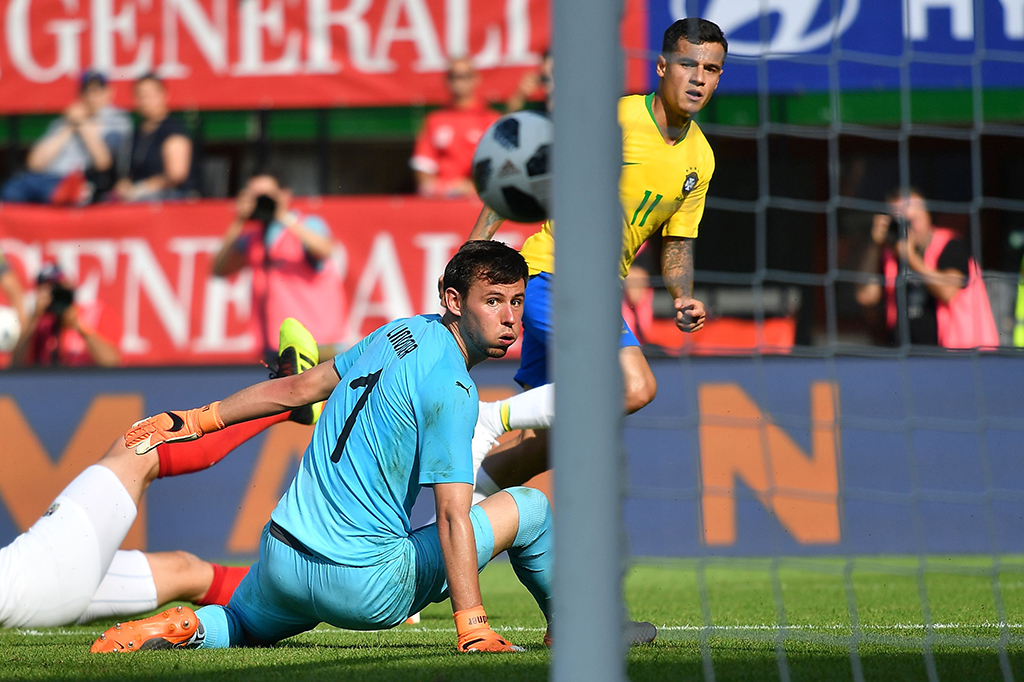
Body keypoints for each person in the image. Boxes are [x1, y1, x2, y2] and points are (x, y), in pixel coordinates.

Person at [90, 241, 558, 654]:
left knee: (238, 623)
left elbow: (298, 388)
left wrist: (194, 419)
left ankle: (186, 625)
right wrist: (472, 625)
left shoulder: (397, 332)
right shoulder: (454, 389)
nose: (511, 319)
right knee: (531, 507)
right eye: (493, 302)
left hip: (282, 556)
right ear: (454, 301)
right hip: (364, 586)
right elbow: (454, 517)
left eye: (516, 301)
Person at [467, 18, 725, 494]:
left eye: (711, 69)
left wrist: (682, 294)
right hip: (554, 272)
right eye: (688, 64)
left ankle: (453, 529)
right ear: (663, 66)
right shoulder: (618, 120)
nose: (699, 78)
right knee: (635, 387)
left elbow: (678, 242)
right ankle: (490, 416)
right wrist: (473, 251)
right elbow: (521, 173)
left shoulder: (701, 159)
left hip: (598, 290)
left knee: (545, 444)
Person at [0, 319, 321, 628]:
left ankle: (311, 592)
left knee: (187, 572)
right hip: (37, 575)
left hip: (34, 594)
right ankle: (290, 401)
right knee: (140, 448)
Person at [211, 170, 345, 363]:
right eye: (254, 196)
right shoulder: (254, 237)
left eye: (266, 195)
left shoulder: (307, 224)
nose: (261, 200)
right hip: (277, 347)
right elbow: (219, 268)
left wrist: (282, 215)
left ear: (285, 195)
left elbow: (325, 250)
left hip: (318, 344)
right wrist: (239, 220)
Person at [855, 189, 999, 348]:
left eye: (912, 220)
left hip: (956, 356)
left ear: (927, 215)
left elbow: (948, 291)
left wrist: (910, 257)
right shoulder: (890, 255)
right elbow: (865, 297)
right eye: (900, 221)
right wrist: (875, 246)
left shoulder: (950, 245)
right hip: (904, 356)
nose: (908, 227)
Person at [1, 71, 131, 205]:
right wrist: (68, 126)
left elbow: (103, 162)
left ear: (108, 92)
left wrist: (82, 124)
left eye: (97, 91)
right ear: (80, 95)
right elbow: (34, 163)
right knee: (12, 189)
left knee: (63, 192)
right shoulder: (63, 122)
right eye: (87, 92)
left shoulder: (117, 121)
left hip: (80, 180)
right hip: (46, 177)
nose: (92, 97)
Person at [410, 58, 500, 198]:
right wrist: (439, 188)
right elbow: (423, 164)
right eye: (454, 76)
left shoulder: (490, 120)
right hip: (442, 200)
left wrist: (472, 188)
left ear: (476, 79)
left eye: (465, 76)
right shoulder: (435, 120)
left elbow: (499, 168)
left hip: (479, 199)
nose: (459, 82)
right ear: (446, 80)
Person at [11, 262, 120, 367]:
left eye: (58, 288)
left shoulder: (93, 313)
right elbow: (17, 364)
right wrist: (34, 318)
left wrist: (79, 326)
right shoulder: (39, 323)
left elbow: (112, 363)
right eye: (48, 289)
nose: (54, 294)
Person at [113, 74, 194, 202]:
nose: (145, 101)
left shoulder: (173, 130)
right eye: (140, 96)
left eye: (149, 95)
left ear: (164, 95)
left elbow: (176, 175)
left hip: (172, 201)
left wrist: (141, 189)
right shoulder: (137, 133)